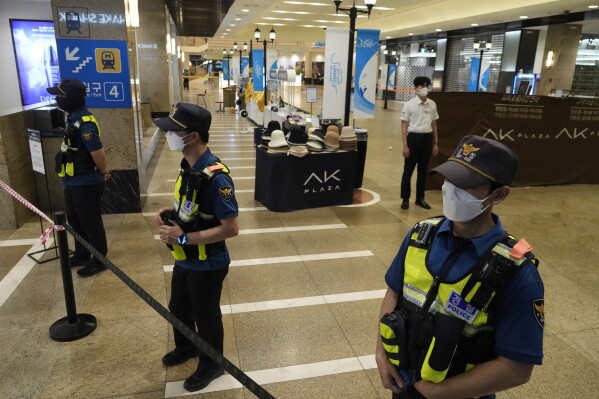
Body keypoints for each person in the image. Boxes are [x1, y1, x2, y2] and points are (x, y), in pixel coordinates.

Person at [376, 135, 544, 399]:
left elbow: (518, 368)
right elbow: (394, 293)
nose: (450, 189)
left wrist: (440, 391)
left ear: (499, 194)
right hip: (405, 385)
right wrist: (381, 355)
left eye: (466, 185)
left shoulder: (516, 272)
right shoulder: (421, 235)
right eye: (449, 179)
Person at [154, 103, 239, 392]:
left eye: (173, 131)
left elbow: (231, 228)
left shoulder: (217, 178)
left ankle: (213, 362)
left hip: (207, 263)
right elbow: (193, 208)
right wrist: (172, 212)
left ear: (192, 136)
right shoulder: (188, 166)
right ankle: (188, 346)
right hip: (185, 258)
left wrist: (183, 238)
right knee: (178, 308)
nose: (169, 135)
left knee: (206, 315)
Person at [47, 78, 110, 278]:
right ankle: (82, 252)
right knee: (75, 220)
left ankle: (100, 259)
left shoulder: (85, 124)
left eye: (61, 96)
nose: (57, 99)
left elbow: (97, 152)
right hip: (72, 181)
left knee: (90, 222)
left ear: (73, 98)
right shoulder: (72, 118)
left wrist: (103, 171)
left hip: (86, 182)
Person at [399, 76, 439, 210]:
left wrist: (435, 142)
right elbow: (404, 125)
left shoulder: (432, 104)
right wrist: (405, 145)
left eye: (427, 85)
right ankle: (405, 199)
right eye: (421, 86)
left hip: (427, 139)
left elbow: (434, 124)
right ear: (415, 89)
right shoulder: (409, 104)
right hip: (413, 139)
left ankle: (420, 198)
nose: (424, 88)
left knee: (423, 171)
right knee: (408, 170)